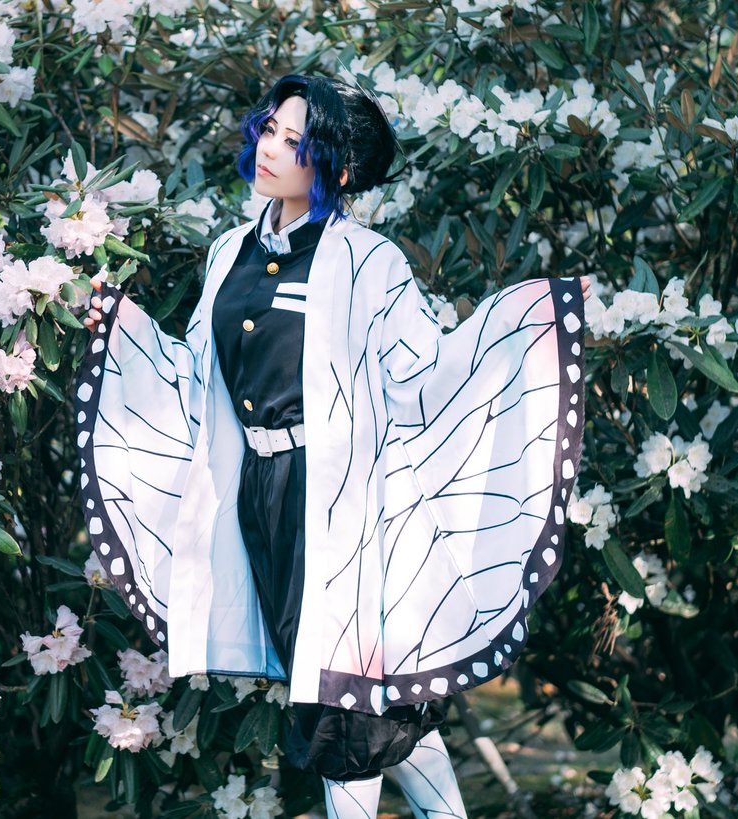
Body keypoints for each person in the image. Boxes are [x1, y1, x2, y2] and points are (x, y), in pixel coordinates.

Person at [77, 74, 592, 818]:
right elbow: (194, 374)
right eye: (269, 129)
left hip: (339, 503)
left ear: (338, 169)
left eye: (295, 141)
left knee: (340, 704)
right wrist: (116, 326)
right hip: (260, 492)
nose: (270, 148)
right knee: (367, 701)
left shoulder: (368, 260)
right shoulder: (228, 252)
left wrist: (526, 329)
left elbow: (425, 374)